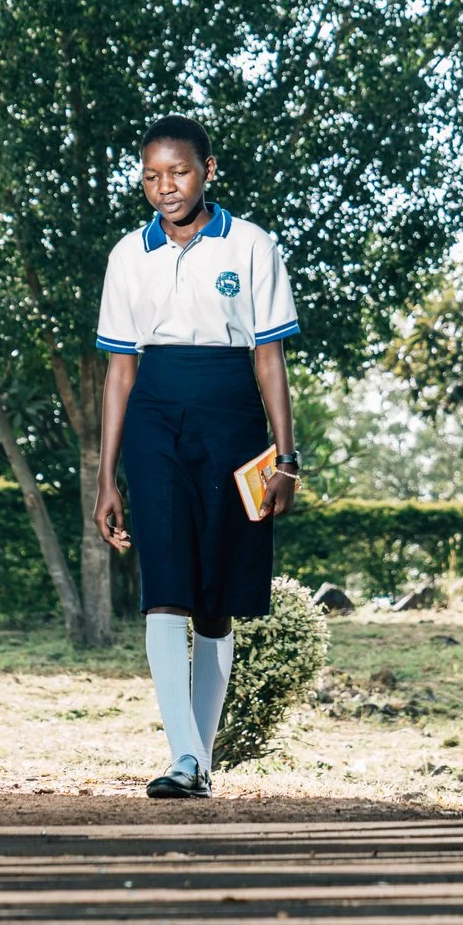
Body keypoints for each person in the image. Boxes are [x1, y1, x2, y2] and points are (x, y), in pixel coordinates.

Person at [93, 115, 300, 798]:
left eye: (177, 172)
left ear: (209, 170)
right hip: (154, 413)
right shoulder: (128, 255)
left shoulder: (251, 244)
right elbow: (119, 371)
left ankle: (199, 763)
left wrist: (287, 456)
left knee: (216, 602)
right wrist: (106, 476)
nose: (165, 187)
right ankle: (182, 755)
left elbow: (269, 359)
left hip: (233, 415)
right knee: (166, 590)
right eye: (151, 176)